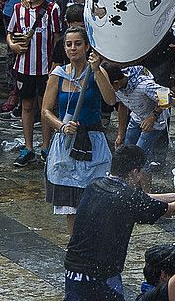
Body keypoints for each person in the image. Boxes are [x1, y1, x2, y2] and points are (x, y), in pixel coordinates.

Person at [62, 144, 175, 301]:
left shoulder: (95, 185)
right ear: (135, 172)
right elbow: (170, 210)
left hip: (73, 269)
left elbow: (143, 200)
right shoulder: (128, 198)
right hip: (101, 275)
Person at [43, 27, 118, 234]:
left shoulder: (96, 72)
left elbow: (110, 100)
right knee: (71, 205)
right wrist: (61, 126)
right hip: (66, 142)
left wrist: (96, 71)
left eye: (77, 44)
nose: (73, 48)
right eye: (69, 44)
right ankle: (74, 246)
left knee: (95, 201)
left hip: (93, 141)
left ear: (86, 47)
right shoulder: (57, 75)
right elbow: (46, 111)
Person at [6, 0, 62, 167]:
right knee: (27, 106)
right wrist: (13, 45)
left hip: (45, 68)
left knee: (44, 106)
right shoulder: (18, 9)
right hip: (23, 67)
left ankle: (46, 146)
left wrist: (55, 66)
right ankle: (28, 147)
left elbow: (57, 38)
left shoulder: (52, 10)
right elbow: (11, 32)